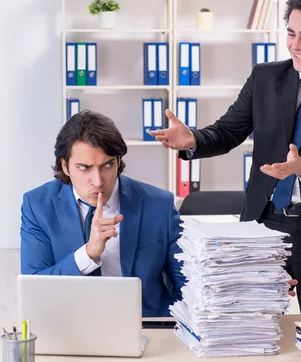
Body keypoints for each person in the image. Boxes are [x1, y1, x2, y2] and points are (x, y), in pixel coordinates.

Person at [151, 0, 301, 314]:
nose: (296, 45)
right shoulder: (266, 77)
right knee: (251, 327)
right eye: (291, 33)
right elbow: (228, 131)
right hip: (264, 225)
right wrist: (194, 140)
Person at [19, 110, 186, 317]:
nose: (98, 181)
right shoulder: (38, 206)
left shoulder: (159, 205)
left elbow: (189, 290)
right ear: (65, 166)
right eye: (84, 168)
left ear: (118, 161)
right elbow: (35, 289)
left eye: (107, 165)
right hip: (70, 330)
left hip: (147, 327)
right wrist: (88, 254)